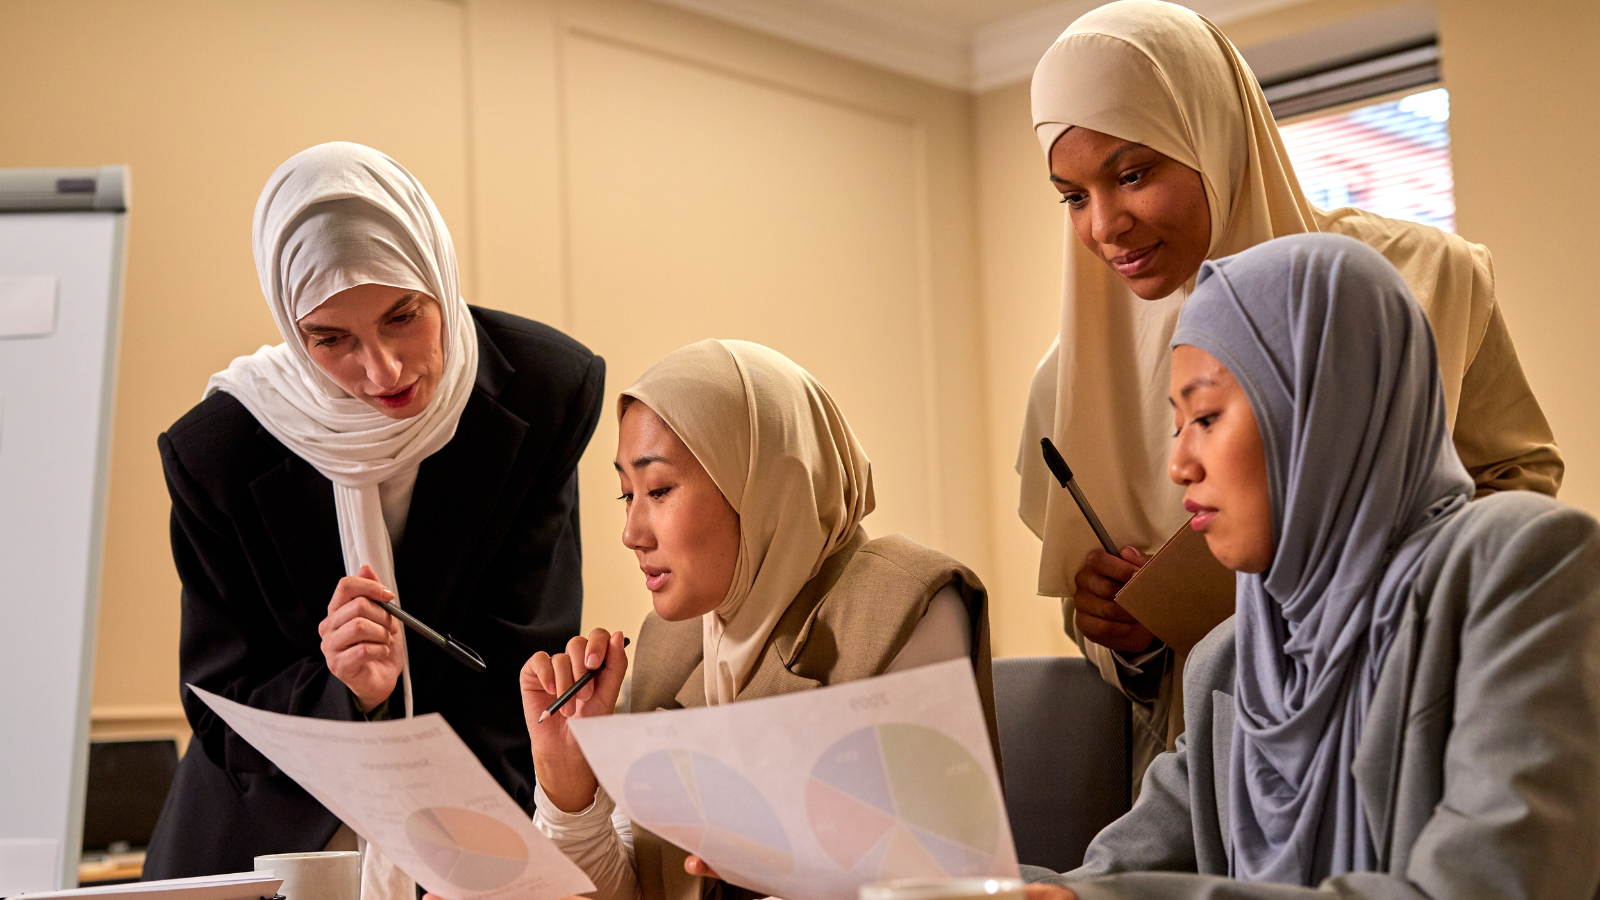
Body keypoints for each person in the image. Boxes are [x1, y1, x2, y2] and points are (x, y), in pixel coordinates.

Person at [1015, 0, 1563, 783]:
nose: (1105, 226)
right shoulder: (1067, 383)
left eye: (1133, 174)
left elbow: (1518, 483)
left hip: (1425, 719)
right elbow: (1100, 627)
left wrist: (1394, 575)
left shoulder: (1421, 279)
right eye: (1073, 196)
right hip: (1221, 765)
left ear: (1215, 137)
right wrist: (1117, 634)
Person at [1021, 233, 1600, 897]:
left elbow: (1493, 885)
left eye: (1206, 416)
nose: (1180, 464)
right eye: (1175, 426)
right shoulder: (1235, 658)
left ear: (1326, 406)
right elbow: (1102, 879)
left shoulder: (1522, 565)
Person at [143, 143, 605, 894]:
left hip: (469, 819)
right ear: (294, 332)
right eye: (331, 340)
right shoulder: (218, 451)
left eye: (404, 316)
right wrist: (344, 690)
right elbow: (223, 712)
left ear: (438, 278)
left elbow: (522, 661)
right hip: (265, 844)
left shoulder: (544, 393)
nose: (384, 369)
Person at [511, 339, 998, 900]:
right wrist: (568, 786)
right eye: (627, 494)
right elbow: (645, 890)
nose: (631, 533)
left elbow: (936, 885)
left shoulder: (901, 603)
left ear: (765, 481)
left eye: (659, 489)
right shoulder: (672, 642)